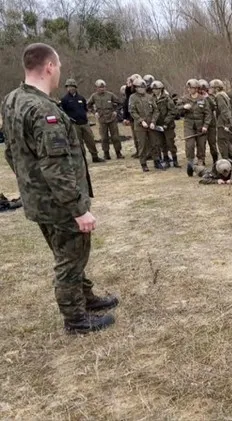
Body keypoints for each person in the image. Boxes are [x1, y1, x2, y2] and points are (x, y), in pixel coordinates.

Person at [1, 43, 118, 333]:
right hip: (59, 203)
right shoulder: (42, 110)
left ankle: (85, 298)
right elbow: (55, 166)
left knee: (68, 255)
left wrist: (30, 185)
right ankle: (76, 320)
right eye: (59, 67)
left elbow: (12, 153)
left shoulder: (13, 100)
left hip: (39, 200)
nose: (59, 72)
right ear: (49, 66)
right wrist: (79, 210)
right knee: (69, 259)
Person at [59, 78, 103, 163]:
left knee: (90, 140)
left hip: (84, 123)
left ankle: (95, 156)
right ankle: (82, 159)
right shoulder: (64, 99)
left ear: (75, 87)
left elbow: (85, 109)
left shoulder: (81, 98)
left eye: (72, 86)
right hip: (74, 124)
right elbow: (62, 112)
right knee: (79, 143)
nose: (70, 88)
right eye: (68, 87)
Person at [129, 78, 163, 172]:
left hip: (150, 124)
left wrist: (153, 122)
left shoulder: (150, 97)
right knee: (142, 145)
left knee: (154, 143)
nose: (142, 89)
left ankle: (157, 161)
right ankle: (143, 163)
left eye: (144, 87)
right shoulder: (133, 98)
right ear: (136, 88)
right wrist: (140, 121)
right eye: (140, 87)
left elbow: (156, 111)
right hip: (140, 126)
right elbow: (132, 111)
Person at [88, 79, 123, 160]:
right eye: (100, 87)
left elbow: (119, 103)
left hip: (112, 118)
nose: (102, 89)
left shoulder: (110, 95)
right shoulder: (94, 96)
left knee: (115, 137)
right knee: (104, 138)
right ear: (96, 88)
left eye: (103, 87)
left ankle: (118, 152)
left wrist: (115, 111)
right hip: (102, 119)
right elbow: (88, 105)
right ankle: (106, 153)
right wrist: (94, 112)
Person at [179, 79, 210, 166]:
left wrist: (206, 125)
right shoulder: (185, 98)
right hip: (189, 125)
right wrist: (183, 107)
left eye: (191, 88)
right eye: (188, 88)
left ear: (196, 88)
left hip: (201, 126)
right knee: (190, 144)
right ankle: (190, 160)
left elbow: (208, 113)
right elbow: (176, 110)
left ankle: (201, 159)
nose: (189, 89)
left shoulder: (203, 99)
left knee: (201, 144)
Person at [150, 80, 180, 168]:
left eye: (157, 89)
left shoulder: (167, 98)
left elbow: (172, 111)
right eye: (153, 89)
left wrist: (166, 122)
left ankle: (175, 160)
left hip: (168, 125)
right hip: (157, 125)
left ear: (161, 89)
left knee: (170, 142)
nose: (155, 91)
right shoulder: (151, 99)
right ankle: (166, 159)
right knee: (161, 143)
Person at [209, 79, 232, 159]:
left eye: (212, 88)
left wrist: (226, 124)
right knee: (226, 141)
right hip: (225, 121)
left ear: (216, 88)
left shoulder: (219, 96)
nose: (210, 89)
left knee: (221, 141)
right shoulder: (223, 95)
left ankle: (226, 159)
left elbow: (224, 110)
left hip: (222, 122)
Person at [199, 79, 219, 164]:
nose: (202, 91)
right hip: (200, 123)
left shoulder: (211, 97)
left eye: (204, 89)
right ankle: (201, 161)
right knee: (201, 144)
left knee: (212, 143)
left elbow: (214, 106)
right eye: (201, 89)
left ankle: (215, 160)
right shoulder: (196, 97)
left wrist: (207, 97)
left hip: (211, 124)